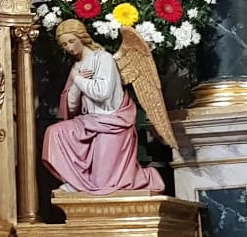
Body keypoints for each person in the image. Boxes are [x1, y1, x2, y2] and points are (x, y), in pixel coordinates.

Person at [42, 21, 169, 195]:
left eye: (71, 41)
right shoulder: (76, 67)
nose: (69, 48)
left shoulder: (103, 58)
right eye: (64, 45)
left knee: (103, 183)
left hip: (112, 122)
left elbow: (101, 93)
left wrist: (78, 79)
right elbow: (71, 107)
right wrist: (77, 83)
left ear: (81, 37)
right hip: (88, 121)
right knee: (54, 132)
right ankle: (77, 182)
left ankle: (147, 178)